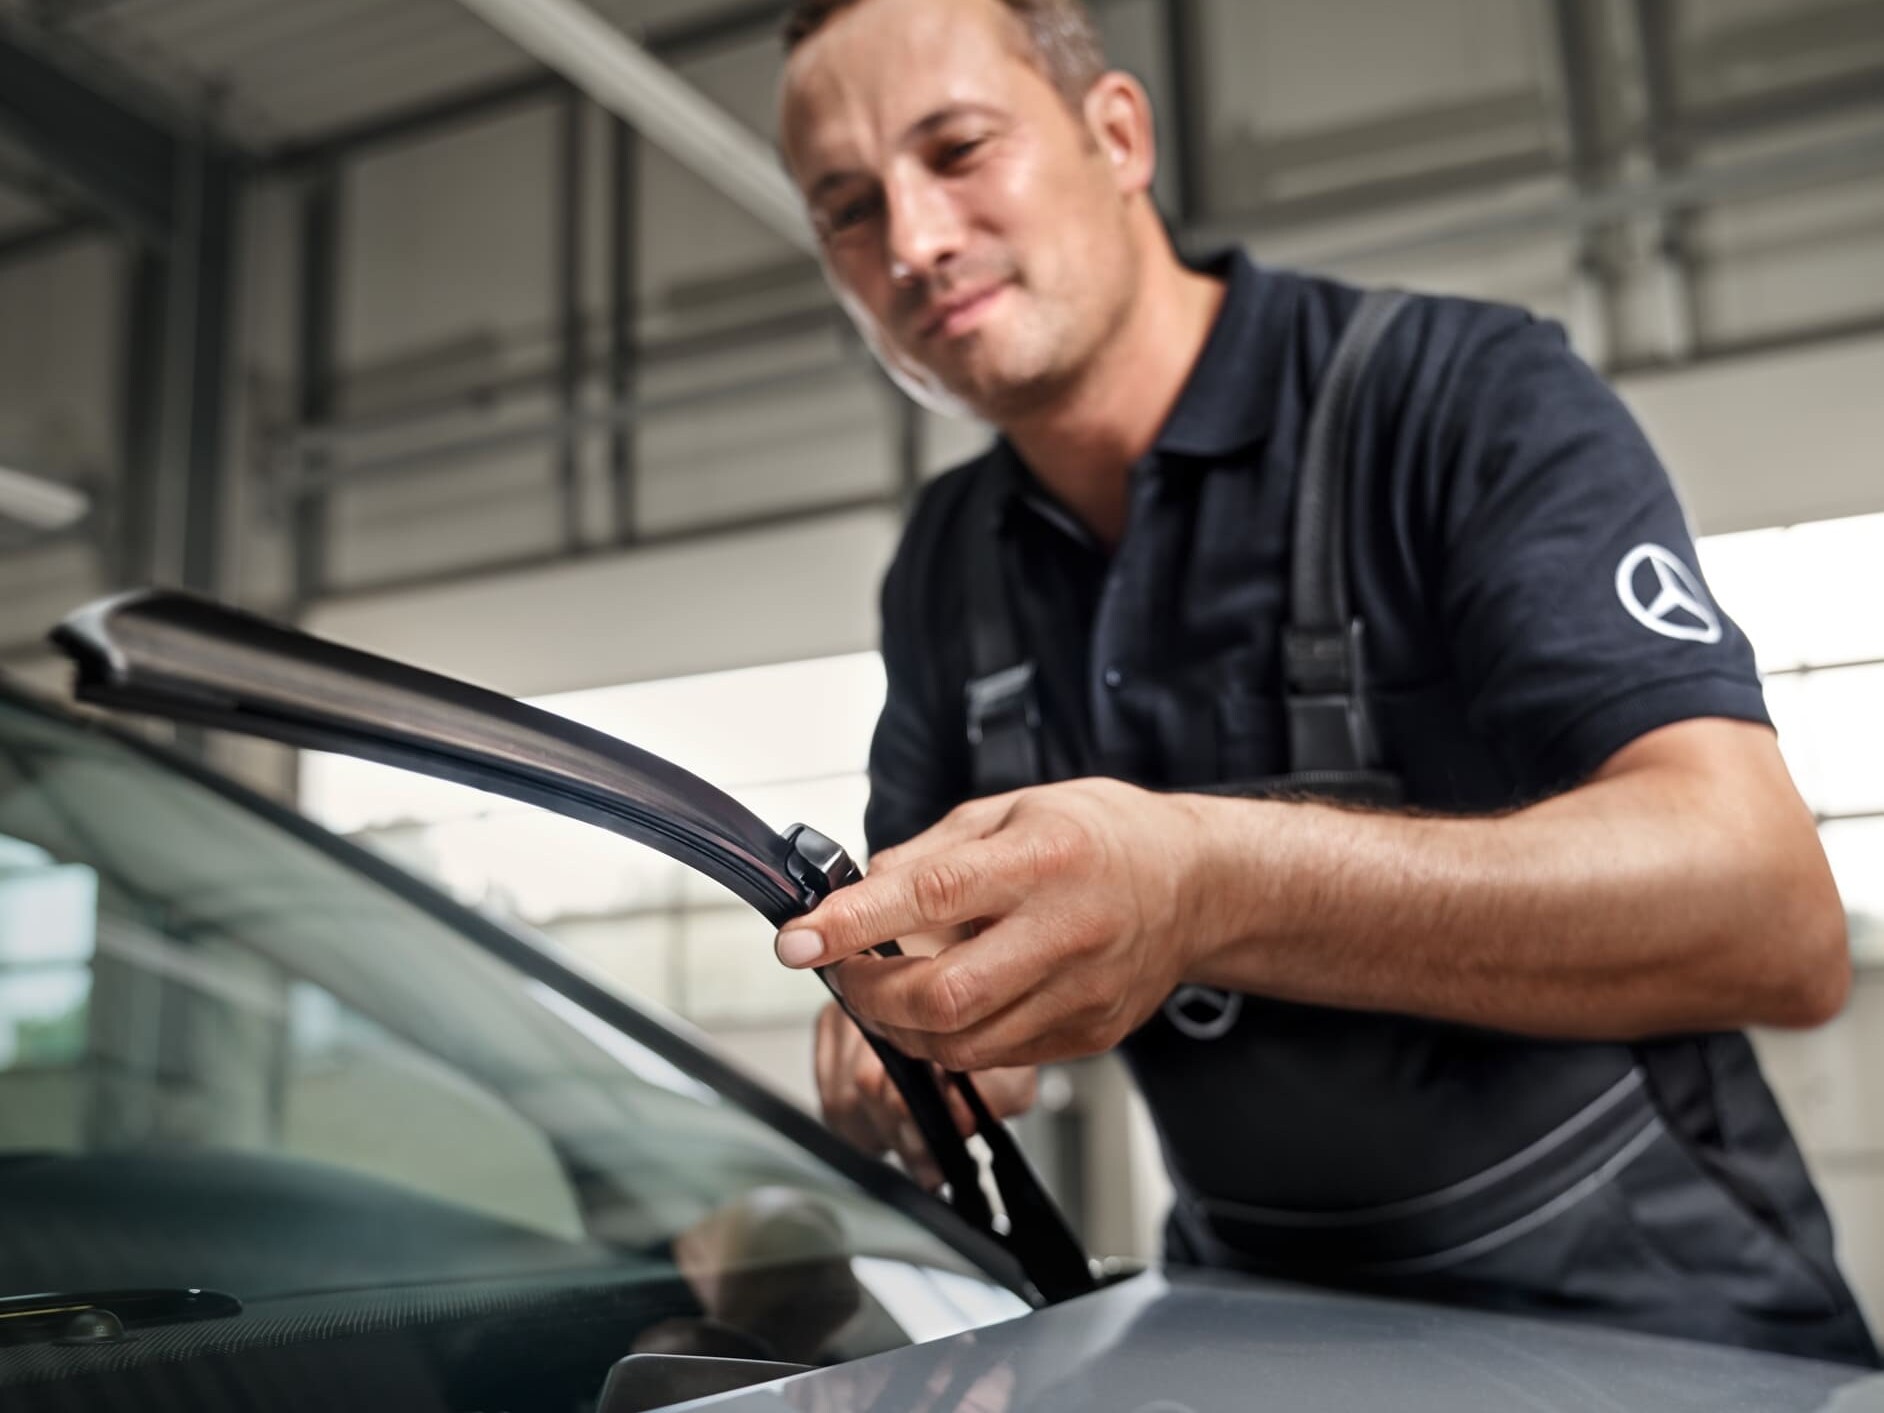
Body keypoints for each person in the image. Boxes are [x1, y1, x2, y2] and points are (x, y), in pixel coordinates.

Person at [770, 0, 1877, 1365]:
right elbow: (932, 943)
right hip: (1249, 1331)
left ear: (1118, 132)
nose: (916, 243)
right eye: (848, 211)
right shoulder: (947, 566)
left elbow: (1768, 913)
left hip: (1670, 1342)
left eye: (957, 149)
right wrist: (927, 1027)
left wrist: (1210, 885)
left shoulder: (1460, 402)